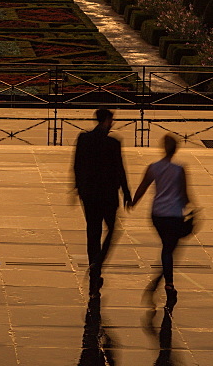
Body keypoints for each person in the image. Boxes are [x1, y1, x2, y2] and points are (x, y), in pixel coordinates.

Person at [73, 108, 132, 296]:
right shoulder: (113, 143)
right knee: (112, 229)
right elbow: (119, 169)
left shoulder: (84, 139)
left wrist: (79, 189)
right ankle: (97, 264)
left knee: (93, 232)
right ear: (107, 120)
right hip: (108, 194)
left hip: (89, 194)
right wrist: (126, 192)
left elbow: (77, 165)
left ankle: (94, 266)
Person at [132, 134, 190, 312]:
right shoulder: (180, 170)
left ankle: (165, 282)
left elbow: (143, 187)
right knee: (169, 249)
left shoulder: (153, 167)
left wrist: (132, 201)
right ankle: (167, 284)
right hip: (174, 214)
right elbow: (185, 195)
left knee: (167, 248)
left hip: (157, 214)